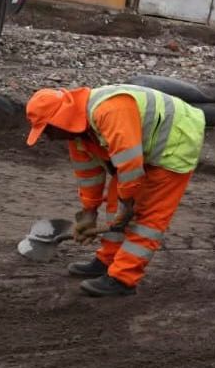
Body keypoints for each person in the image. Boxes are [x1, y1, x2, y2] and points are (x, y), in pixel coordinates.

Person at [25, 84, 205, 298]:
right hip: (143, 146)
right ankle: (107, 260)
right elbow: (89, 176)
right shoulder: (78, 134)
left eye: (47, 129)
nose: (48, 137)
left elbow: (130, 166)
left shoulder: (110, 110)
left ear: (60, 120)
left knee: (147, 217)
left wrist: (129, 205)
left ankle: (123, 279)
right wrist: (89, 213)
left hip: (176, 142)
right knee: (114, 204)